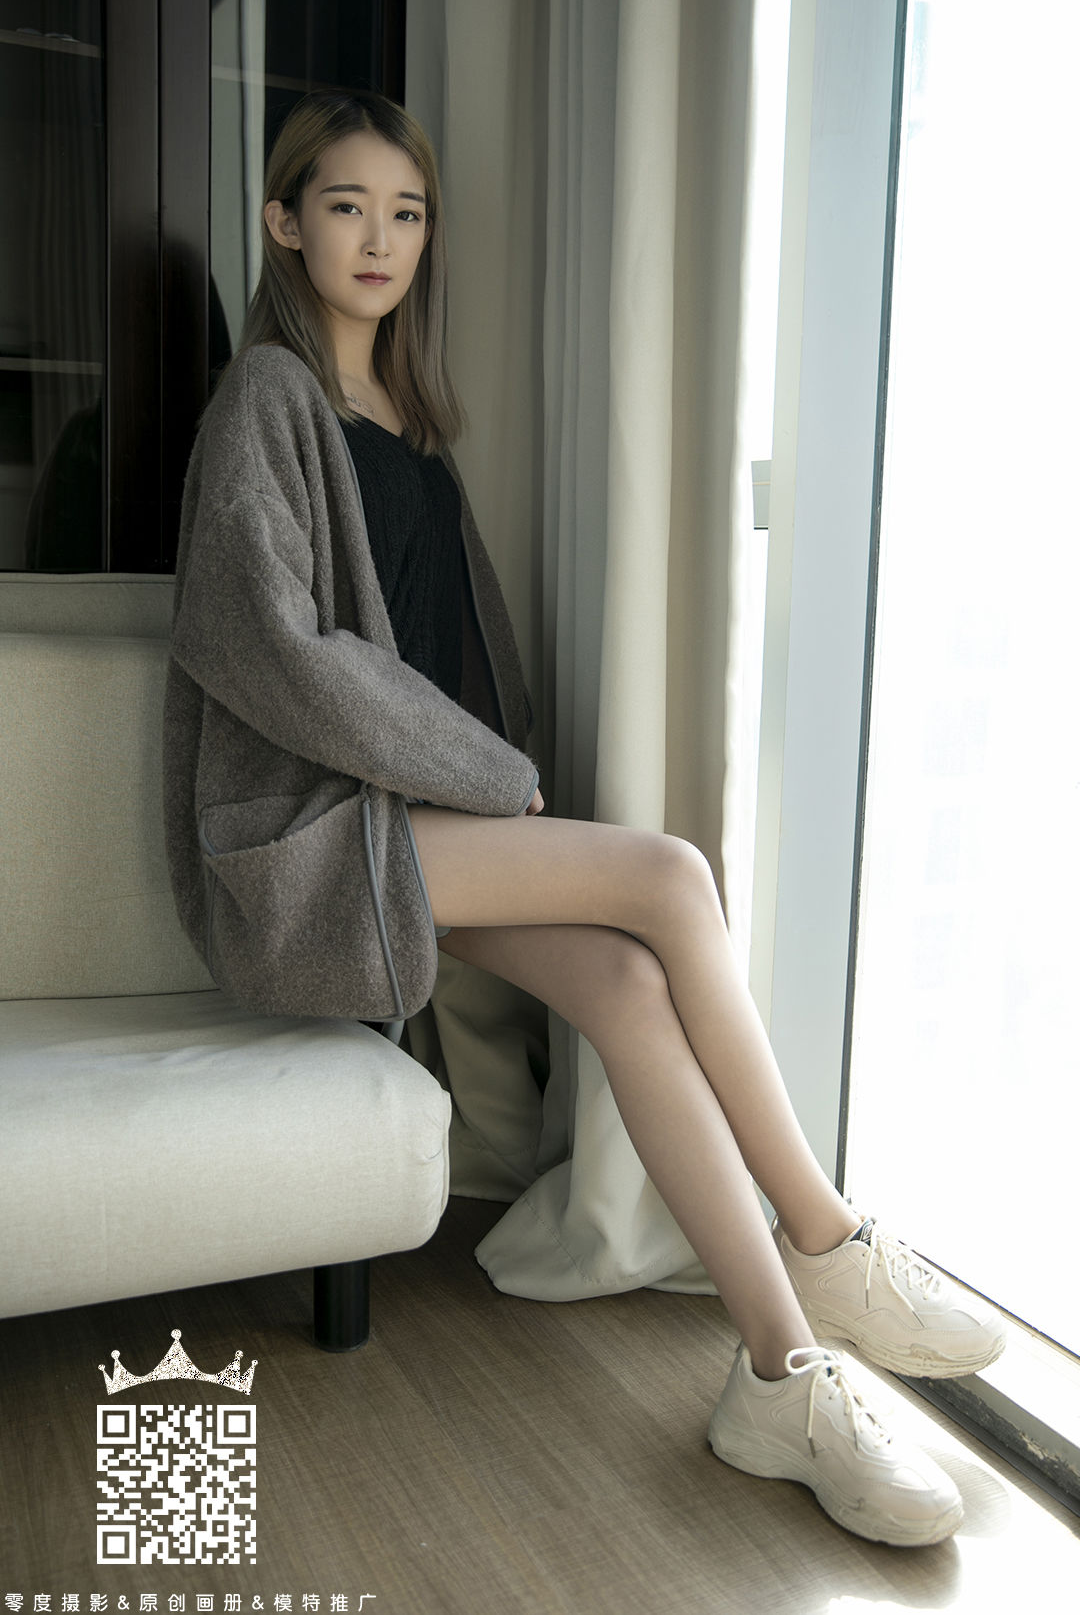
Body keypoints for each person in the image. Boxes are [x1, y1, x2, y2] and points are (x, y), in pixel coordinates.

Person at [164, 88, 1005, 1550]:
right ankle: (828, 1238)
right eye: (348, 206)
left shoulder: (409, 421)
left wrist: (483, 773)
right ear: (284, 222)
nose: (381, 239)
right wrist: (496, 775)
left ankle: (780, 1375)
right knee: (671, 877)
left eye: (407, 212)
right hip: (309, 845)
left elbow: (441, 648)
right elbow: (276, 653)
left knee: (624, 977)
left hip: (413, 828)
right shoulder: (265, 403)